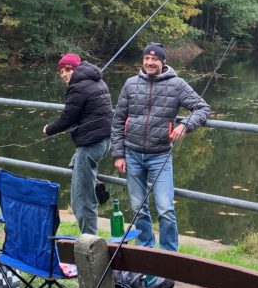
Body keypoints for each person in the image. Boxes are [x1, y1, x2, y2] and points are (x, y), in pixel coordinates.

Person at [111, 42, 210, 251]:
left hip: (160, 156)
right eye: (146, 58)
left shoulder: (177, 84)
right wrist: (118, 154)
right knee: (139, 208)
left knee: (165, 209)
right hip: (132, 155)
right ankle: (146, 250)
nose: (149, 62)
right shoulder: (130, 84)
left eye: (154, 59)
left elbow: (202, 107)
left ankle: (168, 255)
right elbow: (118, 120)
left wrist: (186, 124)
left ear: (163, 62)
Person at [43, 53, 114, 235]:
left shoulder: (78, 87)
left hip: (90, 144)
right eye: (61, 72)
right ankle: (95, 183)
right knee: (76, 163)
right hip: (105, 141)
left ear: (76, 68)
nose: (65, 74)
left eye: (68, 69)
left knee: (81, 200)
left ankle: (89, 240)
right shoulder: (97, 80)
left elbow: (68, 118)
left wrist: (48, 129)